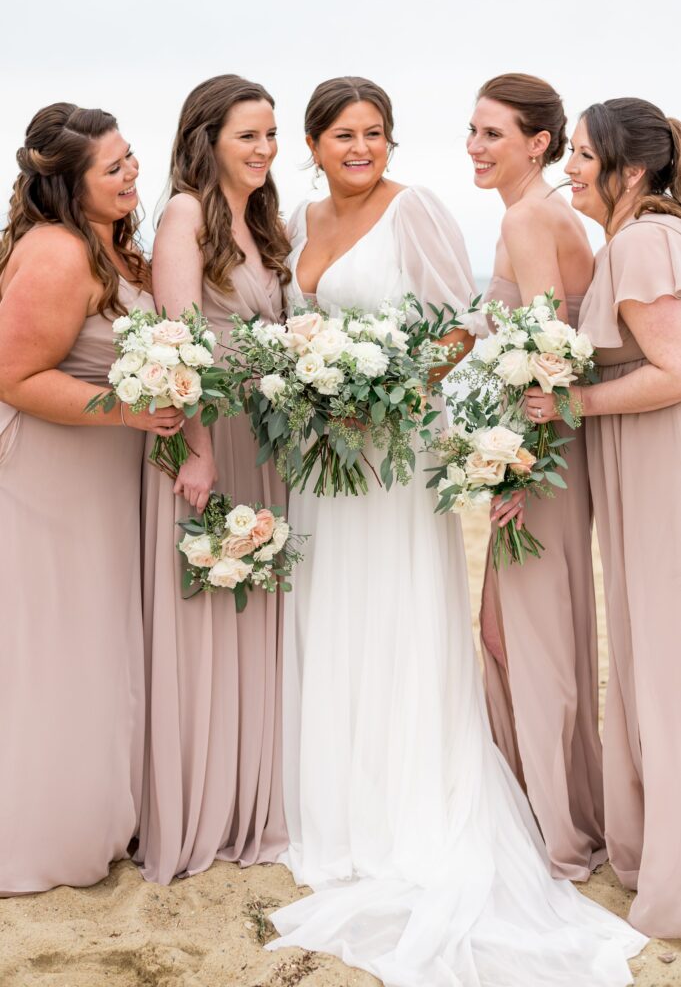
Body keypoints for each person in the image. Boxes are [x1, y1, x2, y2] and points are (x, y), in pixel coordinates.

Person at [266, 75, 646, 987]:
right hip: (322, 461)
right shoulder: (295, 227)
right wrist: (317, 387)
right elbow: (291, 326)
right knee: (331, 617)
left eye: (376, 133)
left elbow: (457, 334)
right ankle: (340, 800)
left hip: (390, 453)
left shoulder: (420, 210)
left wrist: (381, 392)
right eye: (344, 134)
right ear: (312, 145)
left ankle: (423, 801)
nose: (361, 147)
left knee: (403, 614)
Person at [0, 103, 183, 895]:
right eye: (113, 168)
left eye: (131, 157)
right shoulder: (54, 251)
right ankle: (45, 829)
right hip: (51, 478)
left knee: (104, 640)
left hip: (107, 477)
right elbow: (12, 376)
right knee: (58, 646)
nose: (132, 173)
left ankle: (108, 808)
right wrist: (134, 410)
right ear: (69, 187)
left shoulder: (116, 248)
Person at [526, 96, 681, 939]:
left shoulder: (641, 240)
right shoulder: (647, 235)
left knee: (663, 657)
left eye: (582, 155)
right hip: (642, 465)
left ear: (629, 168)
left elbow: (675, 368)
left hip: (661, 468)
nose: (569, 169)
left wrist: (570, 403)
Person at [136, 75, 290, 884]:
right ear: (207, 139)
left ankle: (251, 794)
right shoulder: (186, 214)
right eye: (248, 136)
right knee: (206, 613)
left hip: (264, 438)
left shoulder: (259, 221)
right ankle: (202, 802)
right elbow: (176, 342)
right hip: (214, 436)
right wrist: (197, 448)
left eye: (270, 135)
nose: (264, 150)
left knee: (255, 612)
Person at [469, 73, 604, 881]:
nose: (475, 147)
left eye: (492, 133)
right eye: (472, 131)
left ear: (537, 144)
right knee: (519, 626)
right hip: (540, 448)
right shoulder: (547, 217)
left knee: (525, 634)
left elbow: (542, 352)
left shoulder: (527, 218)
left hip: (538, 455)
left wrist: (518, 468)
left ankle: (556, 828)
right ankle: (549, 804)